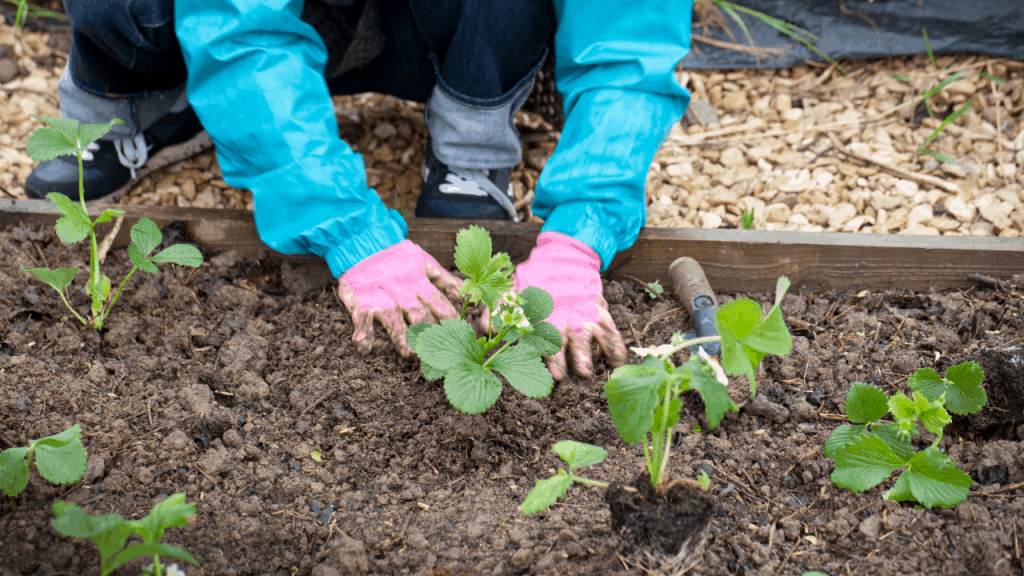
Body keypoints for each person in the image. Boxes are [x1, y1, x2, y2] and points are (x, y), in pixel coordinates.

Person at [26, 0, 694, 381]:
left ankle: (471, 129)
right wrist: (346, 227)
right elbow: (239, 26)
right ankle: (139, 96)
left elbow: (628, 40)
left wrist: (581, 230)